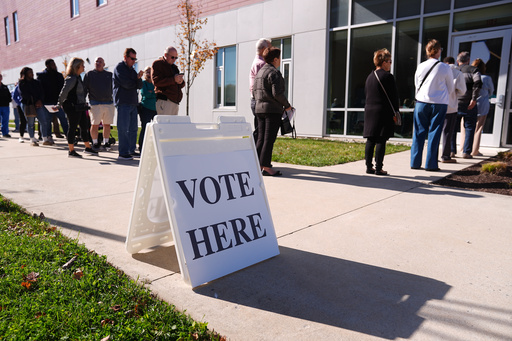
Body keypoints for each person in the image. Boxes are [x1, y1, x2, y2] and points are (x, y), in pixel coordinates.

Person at [410, 39, 454, 171]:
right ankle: (431, 164)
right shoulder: (445, 67)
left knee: (418, 133)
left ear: (427, 51)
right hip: (439, 103)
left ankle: (415, 162)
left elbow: (417, 84)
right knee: (434, 133)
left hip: (422, 102)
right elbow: (451, 88)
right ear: (439, 51)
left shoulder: (421, 65)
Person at [252, 46, 291, 177]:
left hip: (259, 110)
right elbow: (277, 93)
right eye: (279, 58)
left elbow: (254, 91)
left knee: (261, 139)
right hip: (272, 111)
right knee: (269, 139)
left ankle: (258, 165)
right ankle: (267, 167)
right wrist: (287, 105)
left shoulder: (260, 72)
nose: (280, 61)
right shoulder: (274, 73)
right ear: (275, 59)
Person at [363, 48, 398, 176]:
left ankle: (368, 166)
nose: (390, 64)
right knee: (381, 140)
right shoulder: (388, 77)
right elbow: (394, 97)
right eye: (390, 61)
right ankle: (379, 168)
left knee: (370, 139)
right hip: (383, 111)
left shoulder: (369, 77)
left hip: (370, 111)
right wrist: (396, 112)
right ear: (384, 62)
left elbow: (367, 94)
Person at [56, 57, 97, 158]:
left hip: (80, 106)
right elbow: (63, 92)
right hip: (72, 107)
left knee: (84, 126)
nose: (84, 67)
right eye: (82, 65)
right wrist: (58, 104)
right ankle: (71, 150)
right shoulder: (71, 78)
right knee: (73, 128)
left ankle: (87, 147)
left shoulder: (78, 77)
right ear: (77, 67)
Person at [113, 48, 143, 160]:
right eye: (132, 58)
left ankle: (131, 150)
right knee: (123, 128)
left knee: (133, 128)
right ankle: (123, 152)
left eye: (135, 59)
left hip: (133, 103)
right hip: (123, 102)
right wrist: (136, 80)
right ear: (125, 57)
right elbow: (126, 84)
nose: (134, 61)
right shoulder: (120, 68)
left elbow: (139, 85)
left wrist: (138, 78)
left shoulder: (132, 70)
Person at [453, 51, 482, 159]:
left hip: (455, 103)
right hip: (469, 102)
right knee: (469, 127)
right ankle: (466, 152)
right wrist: (474, 99)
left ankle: (451, 151)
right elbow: (478, 83)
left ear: (457, 61)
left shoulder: (453, 71)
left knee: (452, 128)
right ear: (468, 60)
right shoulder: (474, 70)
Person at [83, 57, 115, 151]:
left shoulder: (109, 75)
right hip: (95, 103)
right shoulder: (89, 74)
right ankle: (95, 142)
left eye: (100, 62)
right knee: (95, 124)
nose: (98, 63)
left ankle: (106, 142)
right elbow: (85, 89)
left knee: (107, 124)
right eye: (96, 61)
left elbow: (115, 88)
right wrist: (83, 101)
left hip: (108, 103)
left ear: (104, 64)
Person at [440, 56, 466, 163]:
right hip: (451, 106)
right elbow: (462, 91)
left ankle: (433, 156)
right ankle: (445, 156)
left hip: (437, 105)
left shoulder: (439, 71)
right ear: (454, 62)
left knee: (436, 132)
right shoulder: (457, 73)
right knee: (447, 132)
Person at [37, 59, 69, 144]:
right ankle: (48, 136)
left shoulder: (58, 75)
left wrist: (62, 101)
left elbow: (63, 88)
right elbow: (39, 89)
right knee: (47, 121)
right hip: (46, 102)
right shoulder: (42, 76)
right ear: (47, 66)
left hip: (58, 102)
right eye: (52, 65)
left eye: (54, 64)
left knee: (63, 119)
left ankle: (69, 136)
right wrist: (40, 100)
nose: (54, 66)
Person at [18, 67, 49, 146]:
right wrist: (35, 101)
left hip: (39, 104)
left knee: (43, 121)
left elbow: (42, 92)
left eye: (32, 72)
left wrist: (40, 100)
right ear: (25, 74)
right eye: (29, 72)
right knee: (31, 122)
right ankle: (32, 139)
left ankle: (45, 138)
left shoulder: (36, 82)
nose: (32, 74)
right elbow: (24, 94)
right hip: (28, 105)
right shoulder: (22, 83)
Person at [249, 38, 272, 141]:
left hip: (257, 101)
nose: (271, 50)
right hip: (260, 102)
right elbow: (264, 87)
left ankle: (255, 155)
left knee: (260, 133)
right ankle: (254, 156)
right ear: (264, 49)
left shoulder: (258, 62)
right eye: (269, 48)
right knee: (261, 135)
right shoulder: (261, 65)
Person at [151, 46, 184, 116]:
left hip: (175, 102)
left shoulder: (174, 68)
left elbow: (178, 84)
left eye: (176, 58)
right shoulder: (158, 64)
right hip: (165, 101)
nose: (174, 60)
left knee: (172, 126)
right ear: (166, 55)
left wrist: (181, 81)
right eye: (172, 57)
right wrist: (173, 79)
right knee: (164, 126)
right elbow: (156, 81)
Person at [471, 58, 494, 156]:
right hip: (483, 103)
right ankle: (475, 150)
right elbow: (491, 91)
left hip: (471, 103)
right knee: (478, 127)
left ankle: (465, 148)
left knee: (468, 127)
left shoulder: (471, 76)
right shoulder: (486, 78)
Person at [139, 66, 157, 151]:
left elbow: (157, 94)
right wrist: (153, 93)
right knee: (145, 128)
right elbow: (145, 94)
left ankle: (153, 148)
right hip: (145, 108)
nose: (149, 74)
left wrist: (152, 93)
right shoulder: (143, 83)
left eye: (150, 72)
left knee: (155, 129)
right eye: (147, 72)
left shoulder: (155, 83)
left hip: (155, 109)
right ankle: (141, 147)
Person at [0, 73, 12, 138]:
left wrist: (8, 100)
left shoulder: (5, 87)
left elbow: (9, 95)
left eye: (0, 77)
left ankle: (5, 133)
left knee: (5, 120)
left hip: (5, 106)